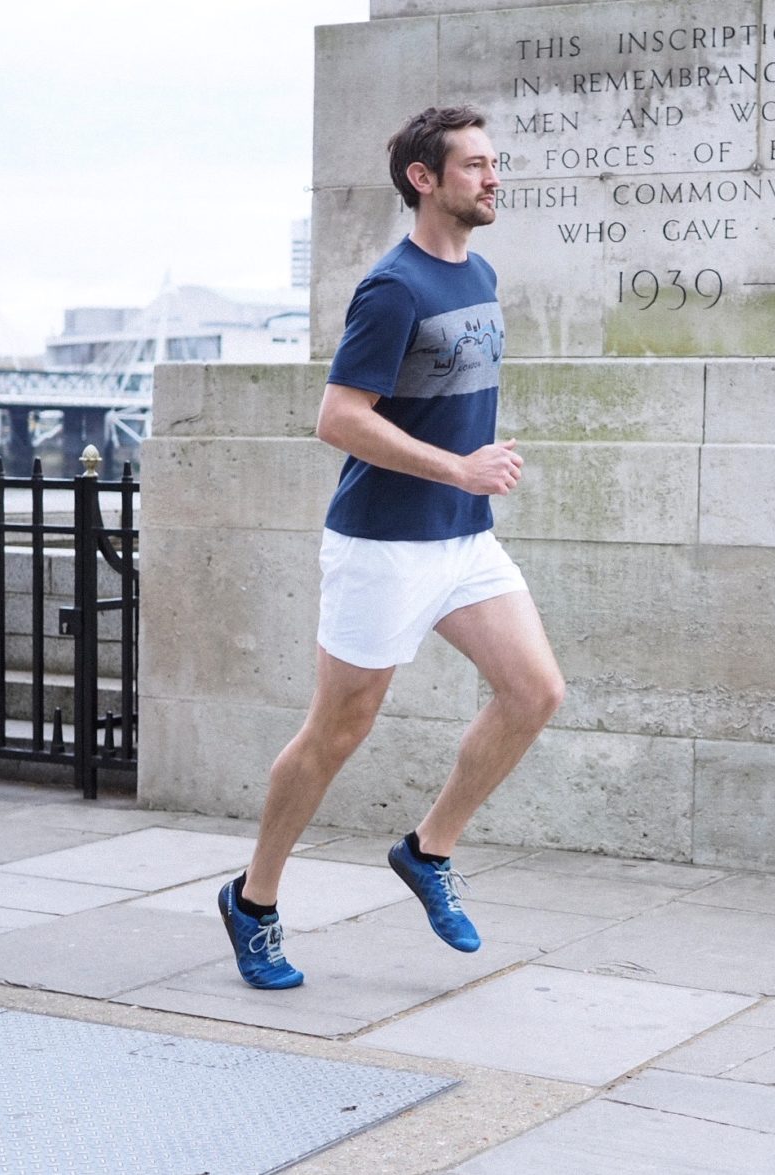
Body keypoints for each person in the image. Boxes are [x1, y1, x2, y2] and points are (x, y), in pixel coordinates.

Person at [216, 105, 566, 989]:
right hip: (382, 546)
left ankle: (426, 849)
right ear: (425, 178)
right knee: (338, 731)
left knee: (534, 691)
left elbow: (442, 400)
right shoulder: (394, 287)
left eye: (495, 164)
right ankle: (253, 902)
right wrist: (459, 466)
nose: (493, 178)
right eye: (475, 166)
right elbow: (339, 417)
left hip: (462, 540)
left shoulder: (479, 274)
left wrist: (469, 471)